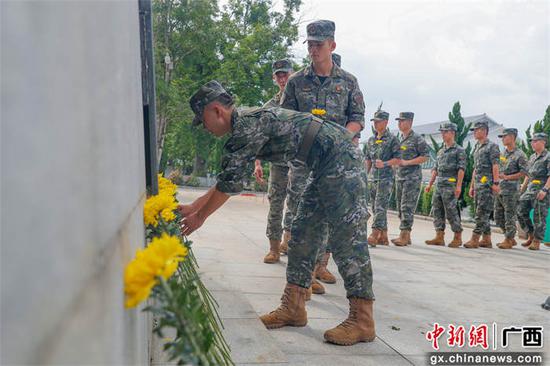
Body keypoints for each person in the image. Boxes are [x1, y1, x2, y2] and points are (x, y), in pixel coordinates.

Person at [180, 80, 375, 346]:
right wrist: (194, 207)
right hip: (323, 163)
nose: (204, 127)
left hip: (340, 159)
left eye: (202, 120)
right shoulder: (245, 124)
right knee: (303, 233)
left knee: (346, 239)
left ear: (216, 111)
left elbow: (231, 185)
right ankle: (294, 307)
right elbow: (229, 178)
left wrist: (200, 217)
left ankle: (362, 319)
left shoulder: (246, 126)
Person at [280, 20, 365, 290]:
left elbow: (358, 118)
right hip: (304, 161)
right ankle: (299, 286)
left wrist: (343, 137)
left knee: (328, 216)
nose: (314, 50)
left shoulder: (348, 82)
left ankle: (319, 268)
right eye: (311, 45)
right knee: (298, 219)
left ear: (332, 45)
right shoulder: (296, 82)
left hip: (335, 163)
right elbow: (285, 119)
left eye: (319, 44)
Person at [254, 59, 294, 263]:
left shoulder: (302, 102)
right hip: (278, 163)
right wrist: (258, 163)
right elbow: (261, 136)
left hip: (300, 164)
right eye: (279, 75)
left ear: (292, 74)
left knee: (298, 205)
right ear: (274, 79)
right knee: (276, 203)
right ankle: (274, 247)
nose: (282, 78)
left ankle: (289, 241)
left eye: (285, 74)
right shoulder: (270, 106)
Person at [425, 122, 465, 247]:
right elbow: (435, 169)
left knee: (451, 211)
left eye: (445, 132)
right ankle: (439, 236)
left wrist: (458, 186)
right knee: (437, 209)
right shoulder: (441, 151)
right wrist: (430, 184)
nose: (442, 134)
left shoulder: (459, 150)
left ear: (452, 133)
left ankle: (457, 236)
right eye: (442, 132)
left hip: (450, 184)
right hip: (439, 184)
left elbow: (461, 169)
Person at [392, 112, 429, 246]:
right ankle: (406, 236)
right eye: (399, 121)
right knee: (400, 207)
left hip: (411, 178)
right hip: (400, 177)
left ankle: (404, 235)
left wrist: (408, 162)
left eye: (402, 121)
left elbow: (425, 156)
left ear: (410, 122)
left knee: (407, 206)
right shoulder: (399, 138)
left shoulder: (417, 139)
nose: (399, 123)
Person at [365, 110, 401, 246]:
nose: (375, 124)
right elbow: (368, 159)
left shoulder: (392, 140)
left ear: (385, 122)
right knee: (375, 207)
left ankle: (374, 235)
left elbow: (398, 159)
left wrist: (385, 163)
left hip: (386, 179)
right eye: (374, 121)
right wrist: (365, 175)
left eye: (378, 121)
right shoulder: (371, 140)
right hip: (373, 179)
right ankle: (384, 236)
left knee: (380, 207)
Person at [464, 121, 500, 249]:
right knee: (482, 211)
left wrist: (496, 183)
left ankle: (475, 238)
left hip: (487, 185)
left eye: (476, 130)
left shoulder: (492, 146)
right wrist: (472, 186)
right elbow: (475, 168)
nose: (474, 132)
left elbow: (495, 165)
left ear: (484, 131)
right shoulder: (477, 147)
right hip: (478, 184)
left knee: (481, 212)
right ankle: (486, 239)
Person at [494, 128, 527, 249]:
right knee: (498, 216)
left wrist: (508, 177)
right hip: (501, 189)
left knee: (509, 215)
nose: (502, 139)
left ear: (512, 137)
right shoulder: (503, 154)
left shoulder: (520, 154)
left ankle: (508, 239)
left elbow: (524, 172)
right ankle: (510, 237)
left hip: (512, 190)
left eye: (504, 136)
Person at [517, 133, 550, 251]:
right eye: (531, 141)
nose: (532, 143)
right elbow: (528, 174)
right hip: (530, 189)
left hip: (542, 190)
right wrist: (523, 188)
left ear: (543, 142)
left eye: (535, 141)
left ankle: (537, 240)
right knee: (520, 210)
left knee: (539, 216)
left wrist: (545, 190)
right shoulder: (532, 157)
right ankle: (530, 234)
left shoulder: (548, 156)